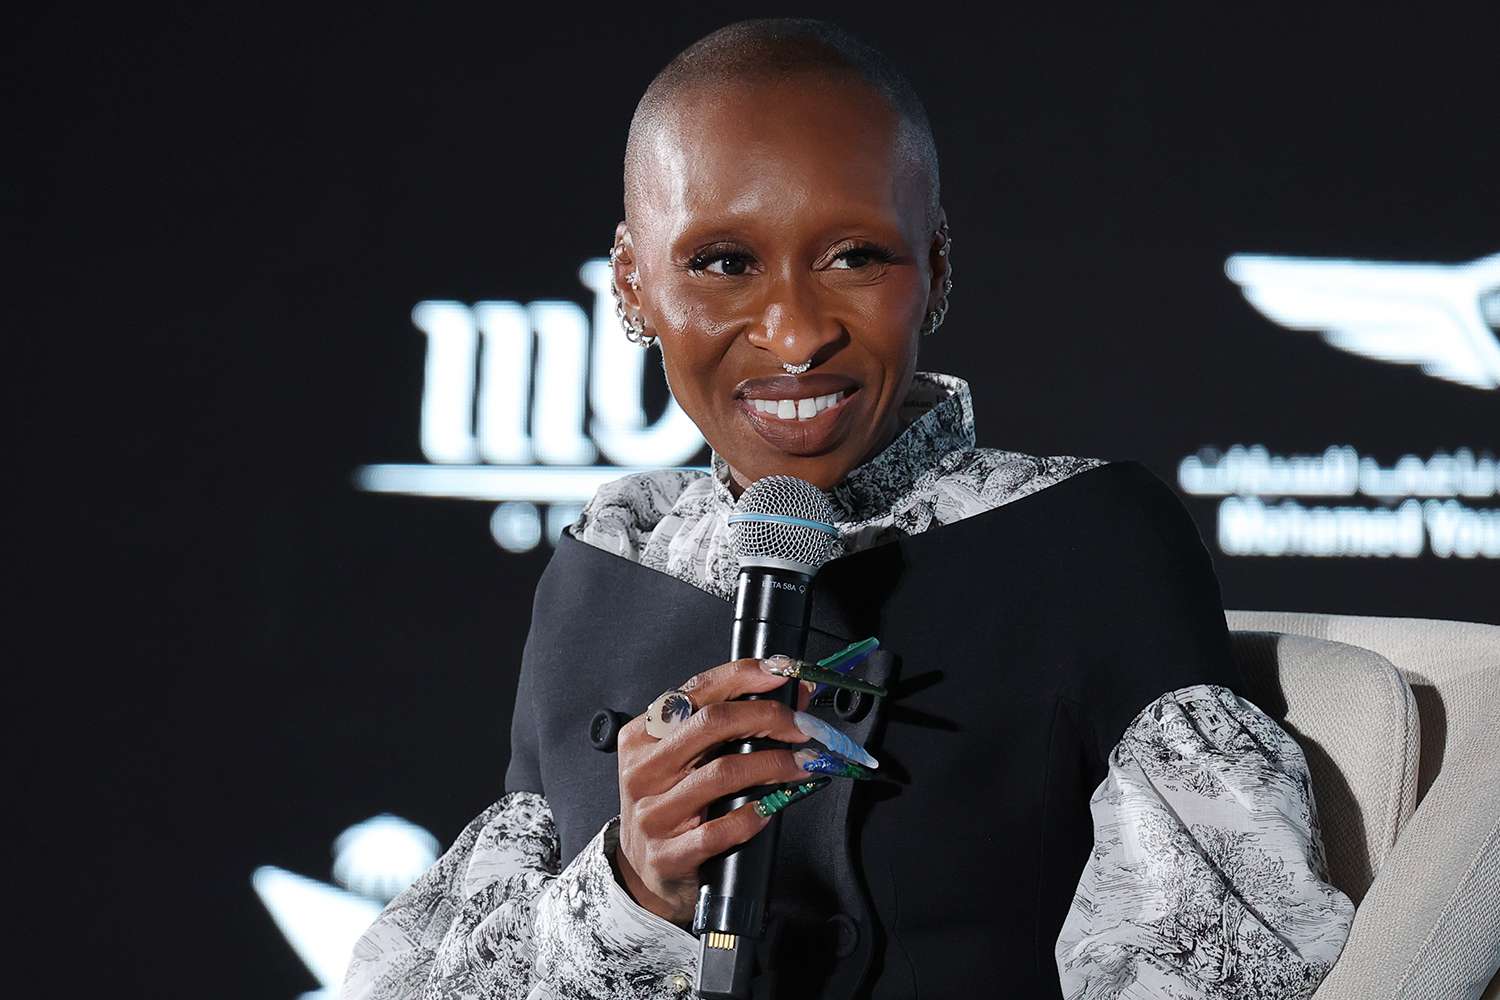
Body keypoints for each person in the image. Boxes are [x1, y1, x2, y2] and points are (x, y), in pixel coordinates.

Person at [341, 18, 1353, 1000]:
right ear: (632, 283)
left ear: (937, 271)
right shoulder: (610, 557)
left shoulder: (1084, 536)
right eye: (723, 263)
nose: (793, 334)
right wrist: (635, 890)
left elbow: (1212, 960)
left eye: (855, 256)